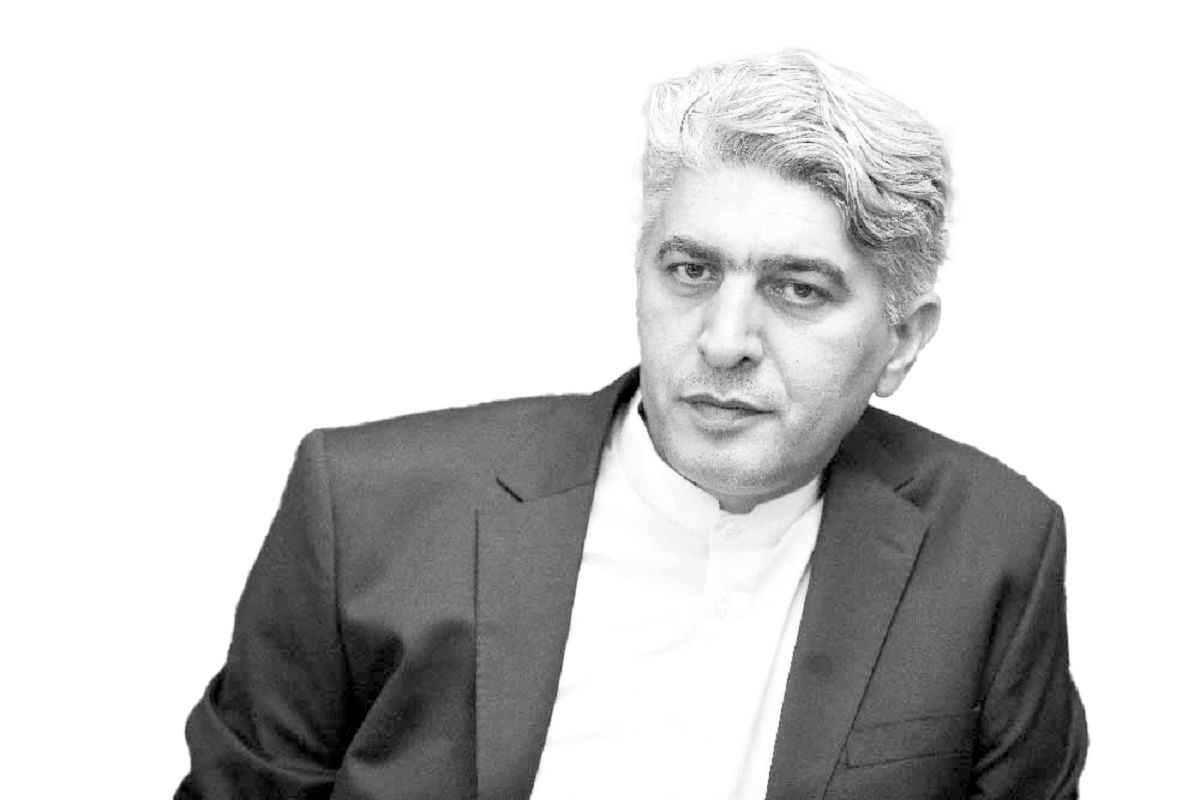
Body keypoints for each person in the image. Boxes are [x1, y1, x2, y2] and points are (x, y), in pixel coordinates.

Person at [177, 49, 1087, 799]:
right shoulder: (367, 509)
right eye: (691, 271)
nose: (724, 342)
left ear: (902, 342)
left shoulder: (994, 550)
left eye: (798, 290)